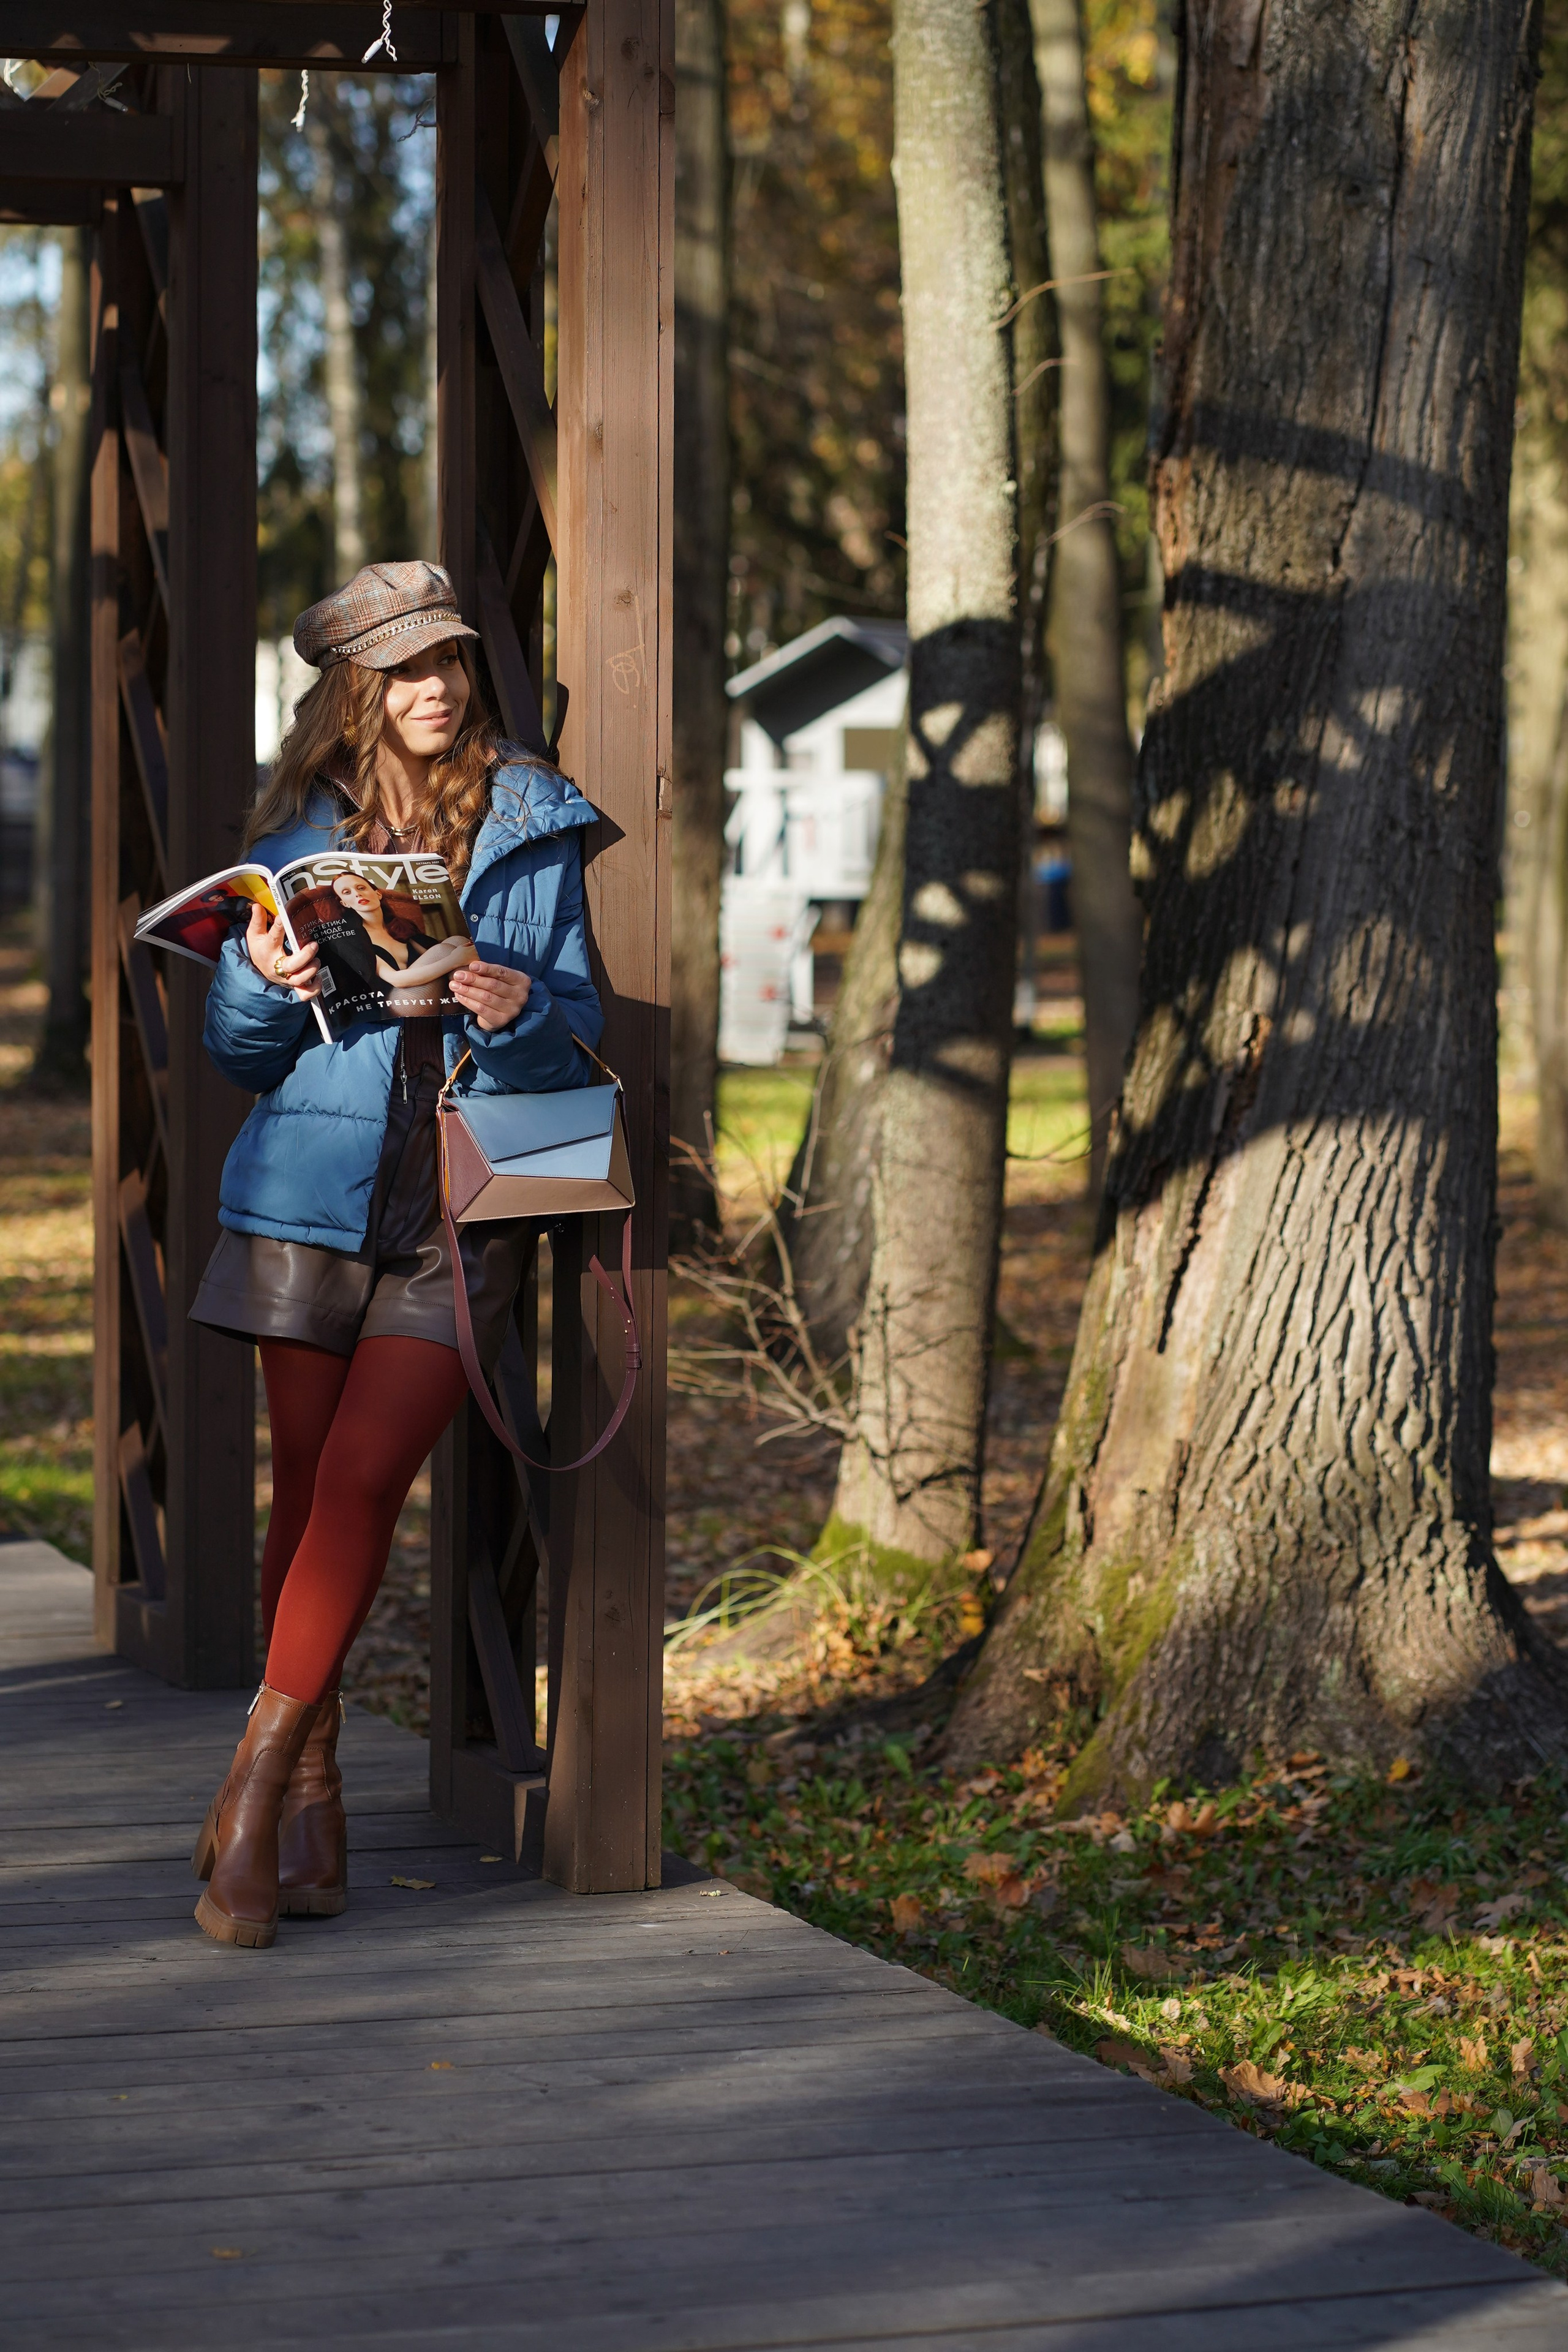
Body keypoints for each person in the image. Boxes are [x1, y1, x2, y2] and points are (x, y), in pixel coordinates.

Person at [186, 559, 601, 1950]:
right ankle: (313, 1798)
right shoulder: (302, 833)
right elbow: (238, 1055)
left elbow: (576, 1033)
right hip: (309, 1194)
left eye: (450, 663)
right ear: (354, 689)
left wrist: (517, 1003)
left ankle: (246, 1799)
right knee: (305, 1489)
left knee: (364, 1480)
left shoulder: (534, 819)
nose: (434, 687)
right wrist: (266, 978)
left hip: (458, 1211)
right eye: (404, 669)